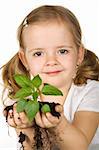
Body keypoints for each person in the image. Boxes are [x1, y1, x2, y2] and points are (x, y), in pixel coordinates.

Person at [1, 5, 99, 150]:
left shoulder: (91, 92)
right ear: (24, 59)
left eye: (63, 51)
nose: (51, 61)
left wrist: (59, 125)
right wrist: (26, 128)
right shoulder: (22, 98)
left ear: (79, 55)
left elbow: (80, 146)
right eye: (38, 53)